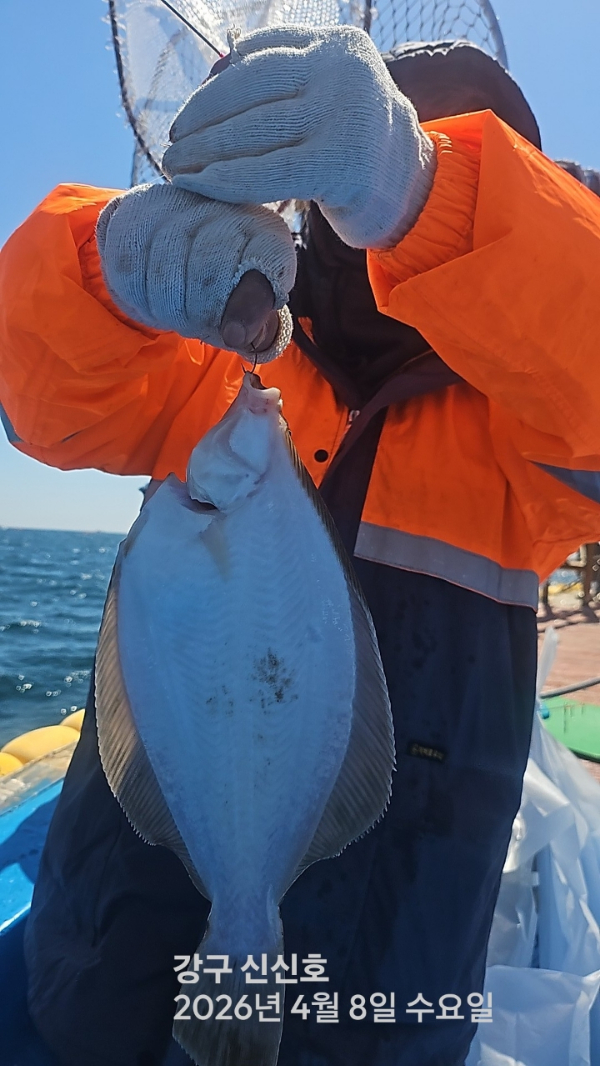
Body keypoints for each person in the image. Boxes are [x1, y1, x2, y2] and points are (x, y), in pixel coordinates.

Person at [2, 26, 600, 1066]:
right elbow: (35, 399)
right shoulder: (220, 360)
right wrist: (108, 268)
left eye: (464, 162)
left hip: (374, 1000)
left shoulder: (527, 444)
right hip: (109, 965)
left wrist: (424, 189)